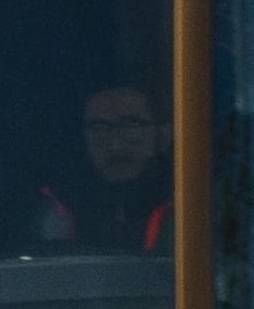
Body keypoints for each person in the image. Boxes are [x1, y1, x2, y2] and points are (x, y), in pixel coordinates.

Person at [32, 83, 172, 252]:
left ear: (163, 136)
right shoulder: (55, 206)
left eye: (131, 126)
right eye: (98, 128)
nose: (115, 145)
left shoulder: (193, 201)